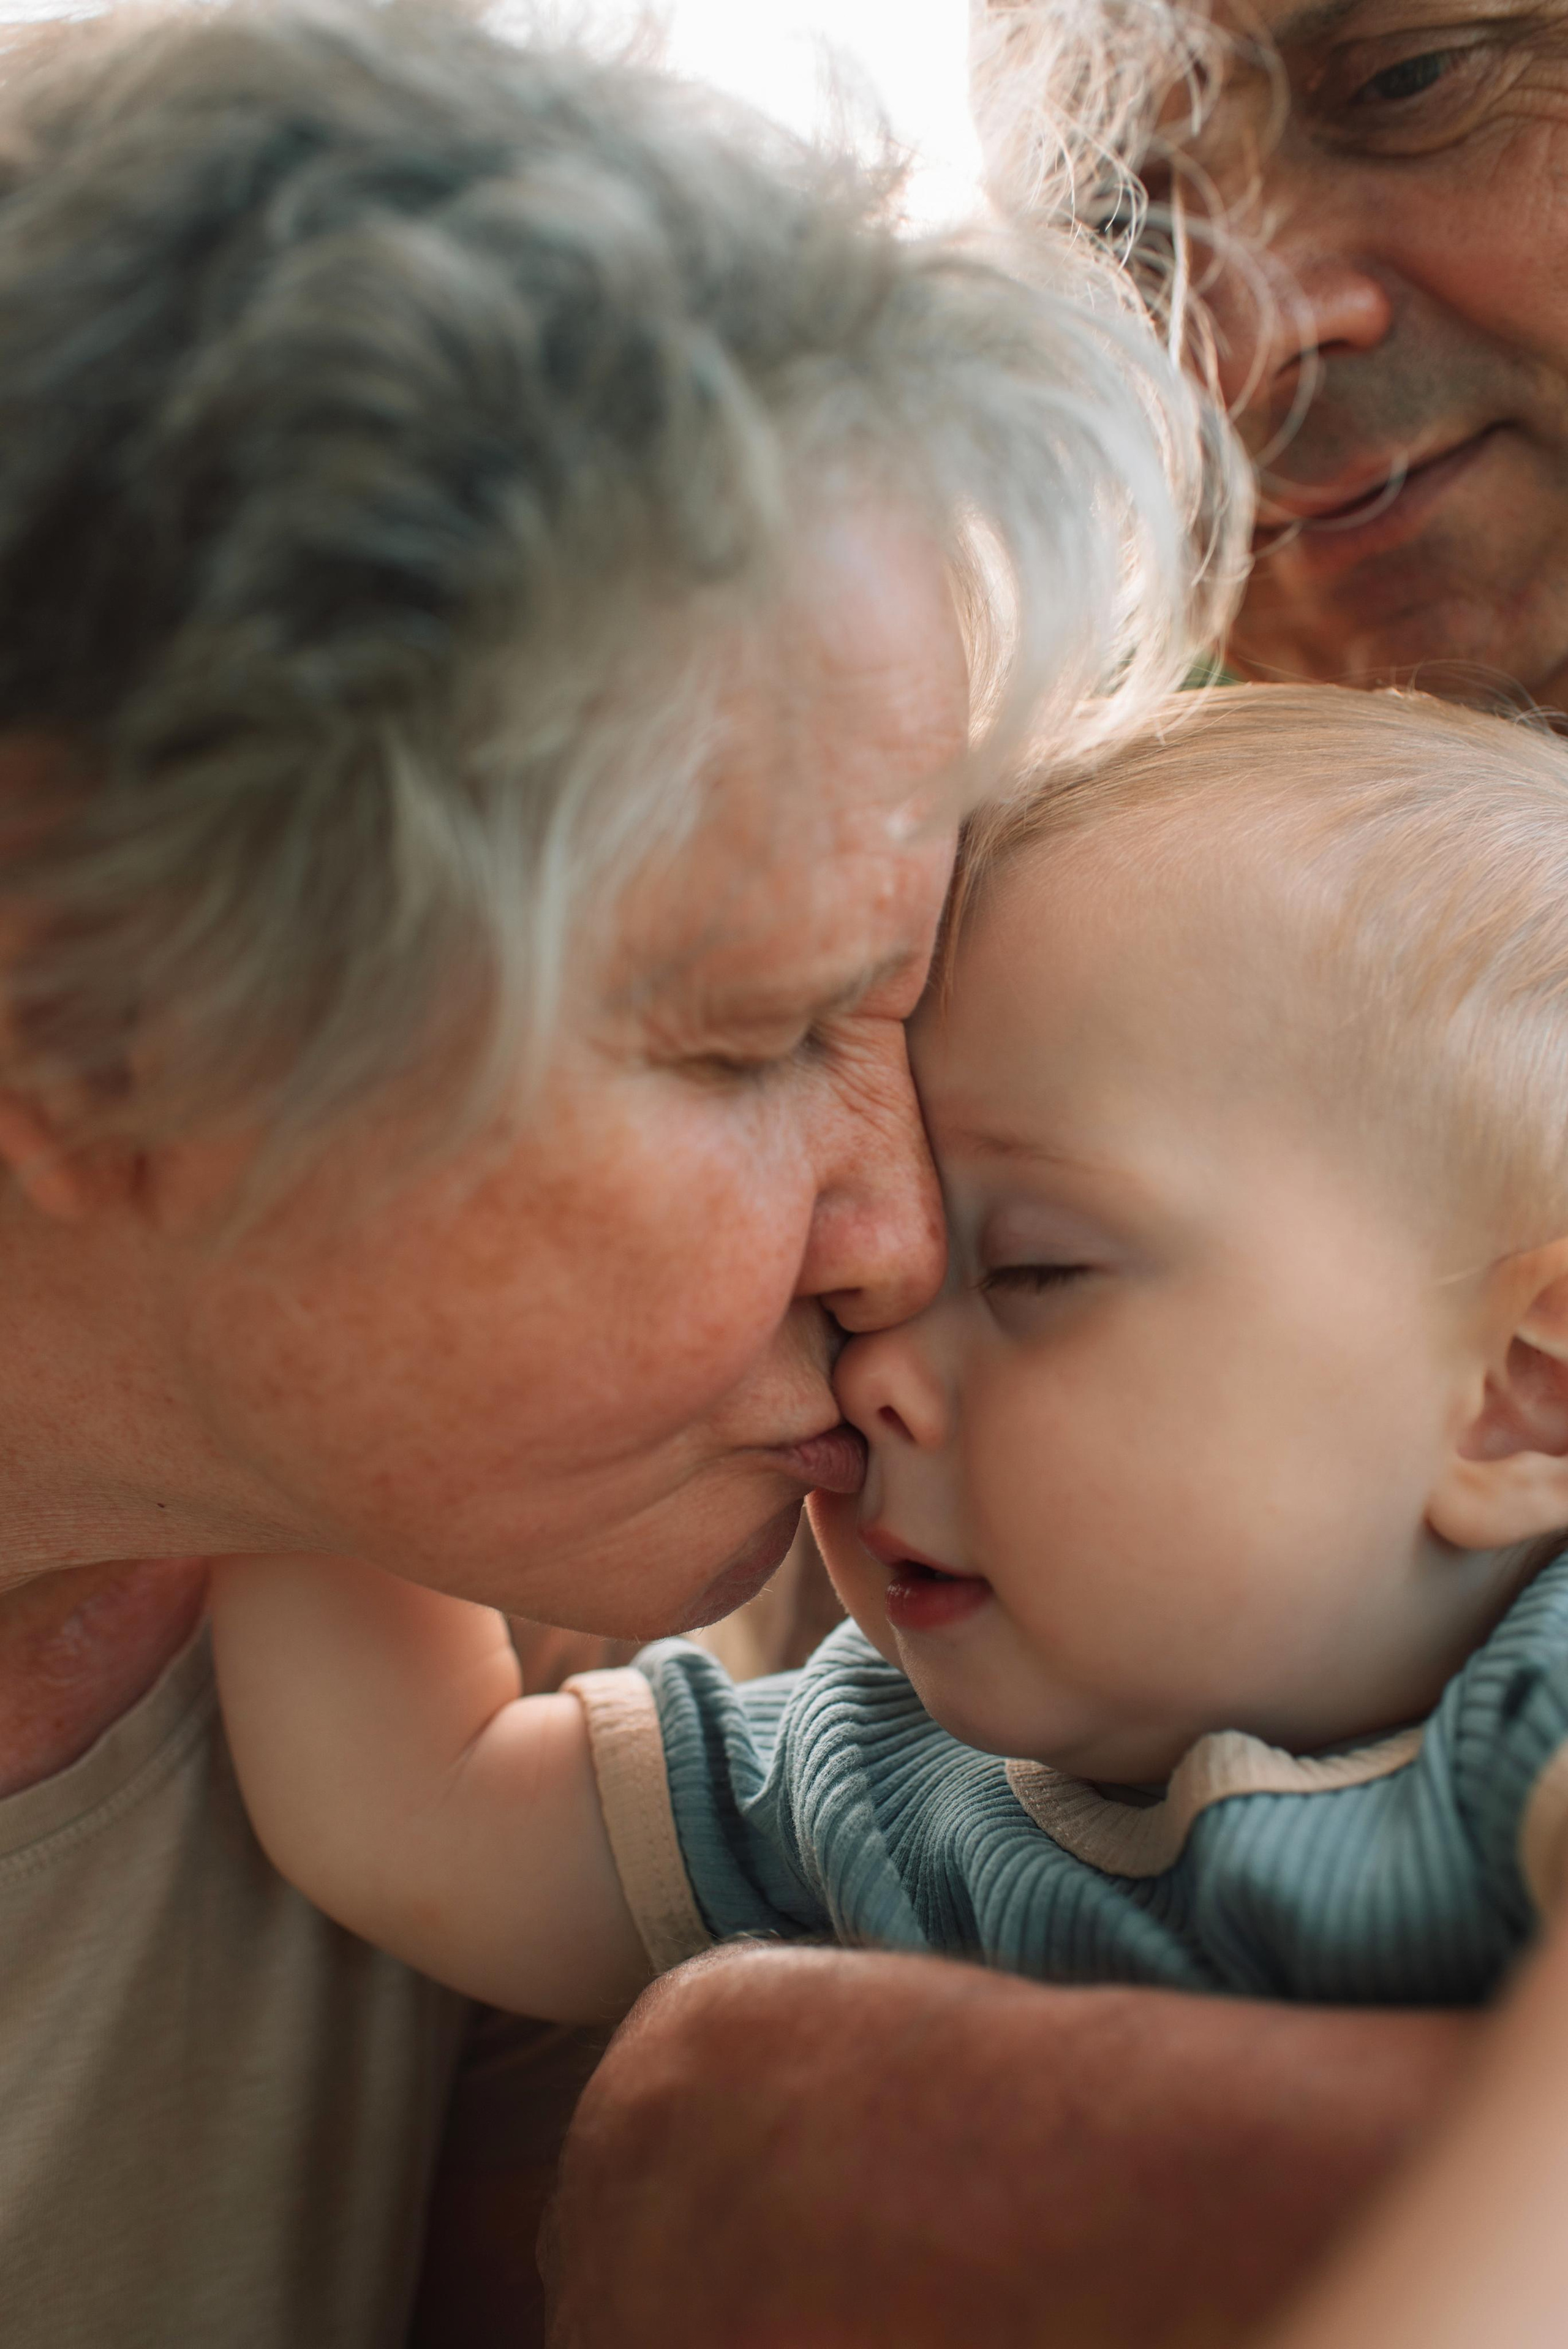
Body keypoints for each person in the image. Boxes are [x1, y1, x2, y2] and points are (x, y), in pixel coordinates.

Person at [0, 0, 1237, 2341]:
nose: (900, 1239)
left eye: (908, 1011)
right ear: (88, 1011)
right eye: (753, 1036)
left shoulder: (712, 1578)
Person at [209, 679, 1568, 2038]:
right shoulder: (883, 1776)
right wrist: (300, 1259)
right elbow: (419, 1814)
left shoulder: (1532, 1711)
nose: (865, 1377)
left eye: (1032, 1266)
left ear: (1521, 1392)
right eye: (859, 1307)